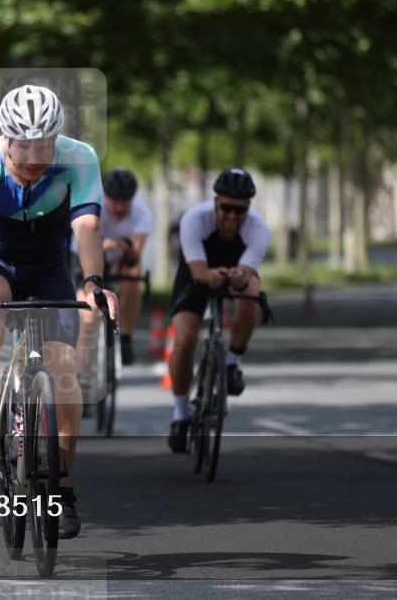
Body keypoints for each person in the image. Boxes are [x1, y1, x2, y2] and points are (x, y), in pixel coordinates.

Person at [0, 84, 119, 539]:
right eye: (23, 146)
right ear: (5, 139)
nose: (33, 157)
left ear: (56, 139)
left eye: (43, 146)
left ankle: (62, 486)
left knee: (63, 368)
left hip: (48, 266)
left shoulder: (79, 158)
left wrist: (93, 283)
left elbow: (86, 225)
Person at [166, 168, 271, 453]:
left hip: (236, 270)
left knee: (251, 298)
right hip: (195, 272)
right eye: (226, 208)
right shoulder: (194, 220)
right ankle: (180, 414)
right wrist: (211, 276)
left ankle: (232, 363)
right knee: (185, 340)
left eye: (241, 210)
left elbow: (248, 270)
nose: (233, 217)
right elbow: (199, 271)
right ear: (215, 202)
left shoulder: (259, 229)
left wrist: (240, 275)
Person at [70, 167, 151, 370]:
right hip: (85, 259)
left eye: (124, 201)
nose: (119, 207)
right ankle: (83, 376)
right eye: (114, 200)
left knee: (133, 275)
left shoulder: (141, 212)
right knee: (88, 317)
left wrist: (125, 246)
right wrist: (102, 246)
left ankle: (125, 337)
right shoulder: (94, 207)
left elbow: (135, 253)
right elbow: (82, 246)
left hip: (118, 260)